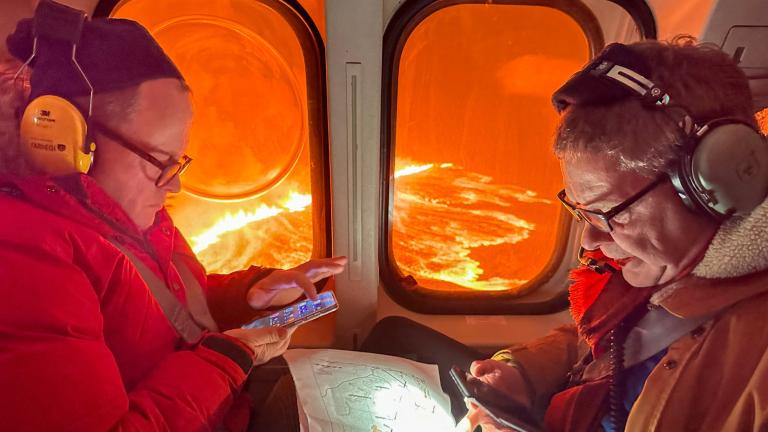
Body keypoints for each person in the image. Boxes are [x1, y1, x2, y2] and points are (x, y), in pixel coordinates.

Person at [363, 37, 768, 431]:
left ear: (714, 184)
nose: (589, 242)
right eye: (580, 211)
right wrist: (520, 373)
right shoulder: (659, 278)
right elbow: (602, 344)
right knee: (391, 337)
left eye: (610, 214)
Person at [0, 4, 346, 431]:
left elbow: (166, 310)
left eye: (176, 162)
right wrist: (230, 357)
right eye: (159, 160)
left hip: (220, 407)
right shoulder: (24, 259)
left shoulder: (124, 213)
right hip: (213, 407)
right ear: (62, 140)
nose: (174, 185)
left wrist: (248, 296)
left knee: (400, 343)